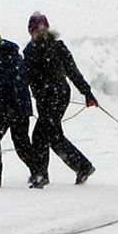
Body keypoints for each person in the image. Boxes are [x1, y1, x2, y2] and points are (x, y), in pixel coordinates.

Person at [21, 12, 98, 187]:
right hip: (45, 97)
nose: (39, 33)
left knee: (41, 134)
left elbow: (72, 71)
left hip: (57, 95)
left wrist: (87, 93)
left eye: (42, 29)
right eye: (36, 30)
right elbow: (27, 78)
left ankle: (41, 175)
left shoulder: (56, 47)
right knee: (52, 135)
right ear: (30, 31)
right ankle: (82, 166)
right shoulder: (30, 51)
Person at [0, 29, 42, 188]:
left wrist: (3, 106)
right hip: (20, 107)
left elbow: (4, 86)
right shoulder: (13, 56)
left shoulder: (0, 58)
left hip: (5, 107)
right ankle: (38, 173)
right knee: (21, 143)